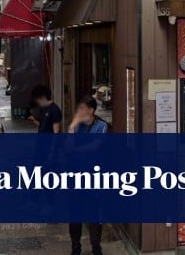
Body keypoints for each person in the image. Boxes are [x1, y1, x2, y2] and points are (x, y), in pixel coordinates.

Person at [67, 96, 108, 255]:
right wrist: (72, 127)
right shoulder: (77, 128)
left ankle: (96, 248)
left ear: (91, 110)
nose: (79, 112)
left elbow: (95, 147)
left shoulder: (101, 126)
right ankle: (75, 248)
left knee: (94, 215)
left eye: (82, 109)